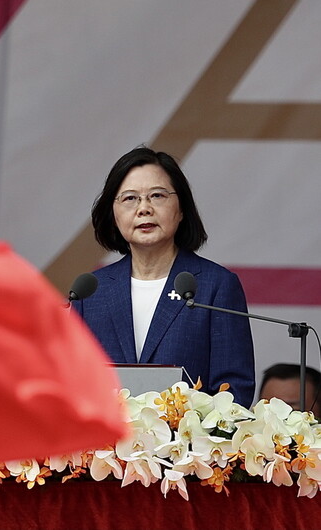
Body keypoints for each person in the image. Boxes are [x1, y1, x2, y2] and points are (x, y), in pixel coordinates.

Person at [72, 146, 255, 407]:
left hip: (189, 446)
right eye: (130, 198)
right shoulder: (90, 293)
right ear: (113, 215)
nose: (144, 208)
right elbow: (72, 384)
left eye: (157, 195)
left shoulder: (215, 285)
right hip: (105, 447)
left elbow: (234, 390)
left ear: (181, 210)